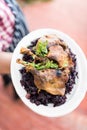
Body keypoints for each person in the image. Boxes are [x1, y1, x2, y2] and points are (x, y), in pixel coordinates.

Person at [0, 0, 29, 98]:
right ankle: (17, 92)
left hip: (15, 19)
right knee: (17, 75)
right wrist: (27, 63)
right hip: (9, 50)